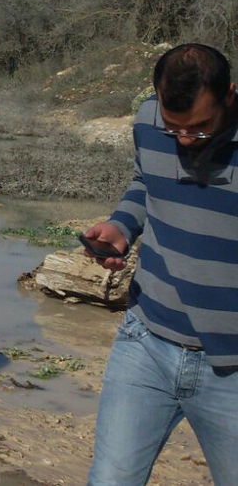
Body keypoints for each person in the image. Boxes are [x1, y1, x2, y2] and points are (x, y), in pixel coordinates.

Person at [83, 43, 238, 484]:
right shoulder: (148, 121)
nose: (185, 140)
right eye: (175, 129)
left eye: (201, 128)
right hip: (145, 341)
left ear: (229, 96)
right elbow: (144, 182)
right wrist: (122, 226)